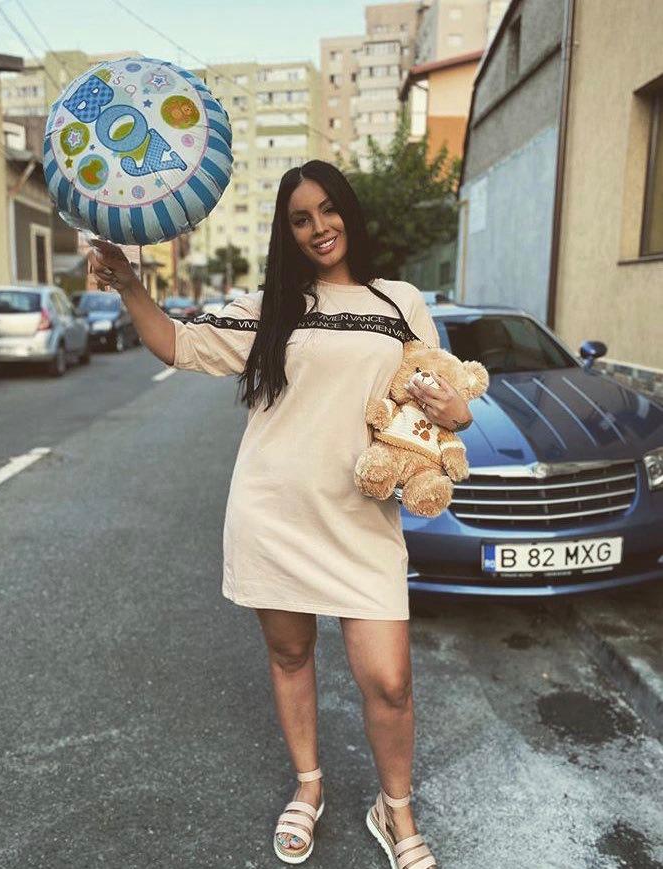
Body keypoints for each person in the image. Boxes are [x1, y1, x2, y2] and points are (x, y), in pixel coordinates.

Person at [87, 159, 473, 868]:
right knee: (291, 655)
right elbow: (178, 343)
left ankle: (395, 809)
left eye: (328, 209)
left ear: (348, 212)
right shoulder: (270, 306)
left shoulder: (399, 302)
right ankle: (308, 784)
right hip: (275, 513)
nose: (318, 227)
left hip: (362, 521)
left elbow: (438, 395)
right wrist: (130, 284)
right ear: (286, 231)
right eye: (300, 218)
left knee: (390, 681)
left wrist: (458, 412)